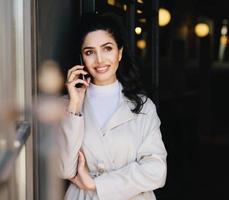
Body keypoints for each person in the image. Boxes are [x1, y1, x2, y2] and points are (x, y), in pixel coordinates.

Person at [57, 12, 167, 200]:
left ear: (120, 52)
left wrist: (96, 184)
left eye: (107, 48)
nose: (99, 60)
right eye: (90, 52)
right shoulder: (66, 106)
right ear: (82, 58)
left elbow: (157, 171)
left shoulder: (143, 107)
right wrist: (74, 106)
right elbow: (65, 169)